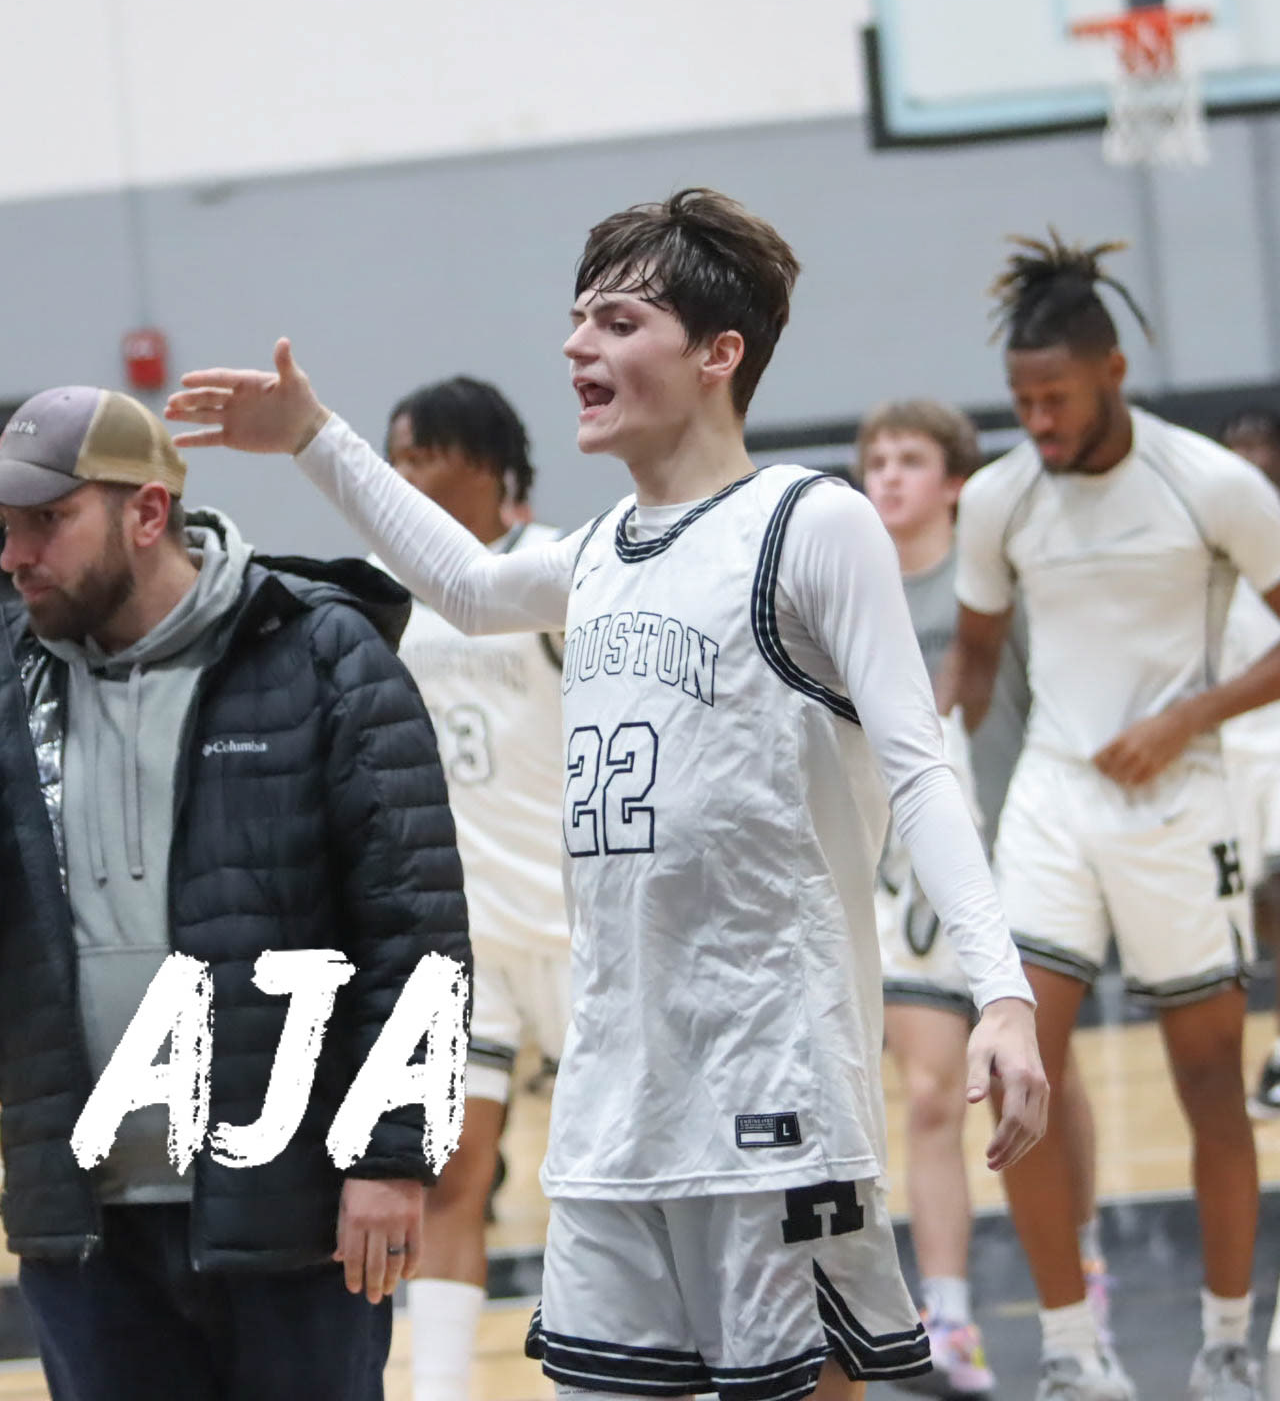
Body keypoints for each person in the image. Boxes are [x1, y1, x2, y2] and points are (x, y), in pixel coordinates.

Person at [167, 186, 1048, 1401]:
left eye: (618, 322)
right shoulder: (596, 554)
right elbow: (466, 583)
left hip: (770, 1081)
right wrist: (314, 435)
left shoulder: (808, 522)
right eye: (578, 318)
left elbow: (918, 764)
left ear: (717, 354)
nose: (576, 344)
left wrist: (999, 990)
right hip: (613, 1095)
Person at [0, 385, 470, 1401]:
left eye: (47, 521)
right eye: (6, 526)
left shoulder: (319, 651)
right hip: (84, 1227)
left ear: (146, 512)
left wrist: (393, 1154)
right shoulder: (10, 679)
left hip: (292, 1214)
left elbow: (415, 926)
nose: (15, 555)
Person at [942, 234, 1280, 1401]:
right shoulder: (997, 498)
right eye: (1020, 400)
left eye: (1055, 398)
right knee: (1020, 1070)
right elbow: (972, 663)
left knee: (1206, 1082)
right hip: (1052, 800)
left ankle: (1225, 1343)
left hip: (1181, 802)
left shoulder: (1211, 484)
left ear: (1113, 372)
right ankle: (1070, 1353)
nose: (1035, 420)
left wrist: (1186, 716)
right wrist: (912, 764)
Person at [859, 400, 1110, 1396]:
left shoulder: (990, 582)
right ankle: (949, 1319)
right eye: (875, 459)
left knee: (1043, 1077)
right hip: (909, 877)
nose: (886, 475)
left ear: (955, 481)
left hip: (1015, 853)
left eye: (908, 459)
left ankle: (1080, 1269)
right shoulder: (850, 586)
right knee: (928, 1095)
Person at [383, 377, 570, 1401]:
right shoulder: (383, 592)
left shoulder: (551, 574)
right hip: (462, 938)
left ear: (485, 465)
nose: (401, 477)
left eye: (421, 457)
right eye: (394, 460)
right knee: (452, 1176)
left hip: (580, 927)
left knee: (601, 1183)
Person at [1216, 409, 1280, 1118]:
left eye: (1260, 445)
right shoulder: (1209, 544)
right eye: (1237, 447)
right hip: (1229, 748)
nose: (1249, 457)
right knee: (1247, 911)